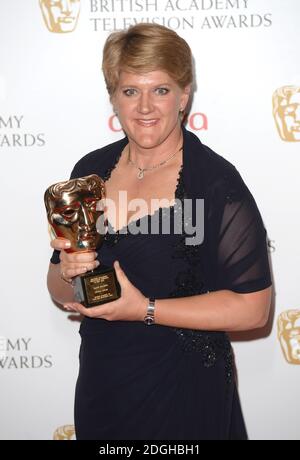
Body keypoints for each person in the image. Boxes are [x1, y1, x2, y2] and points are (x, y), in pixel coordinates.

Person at [47, 23, 272, 440]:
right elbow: (62, 289)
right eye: (131, 90)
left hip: (184, 390)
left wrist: (144, 309)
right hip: (104, 383)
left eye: (161, 90)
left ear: (185, 96)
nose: (145, 106)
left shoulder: (215, 183)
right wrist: (67, 272)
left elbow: (253, 310)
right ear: (113, 97)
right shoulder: (89, 173)